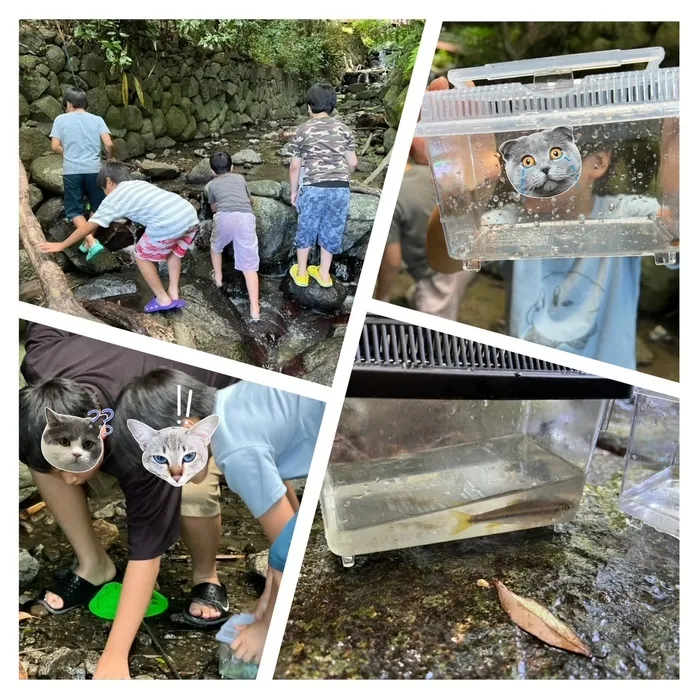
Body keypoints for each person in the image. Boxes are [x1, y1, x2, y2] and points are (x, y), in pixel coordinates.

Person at [19, 323, 235, 680]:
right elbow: (46, 322)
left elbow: (145, 553)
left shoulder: (150, 438)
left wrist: (115, 655)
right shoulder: (42, 363)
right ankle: (94, 565)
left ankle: (206, 575)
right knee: (45, 463)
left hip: (204, 408)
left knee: (191, 491)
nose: (70, 482)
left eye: (74, 468)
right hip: (127, 394)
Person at [424, 76, 678, 370]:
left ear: (597, 163)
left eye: (555, 154)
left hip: (608, 379)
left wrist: (678, 194)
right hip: (529, 375)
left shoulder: (628, 211)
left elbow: (678, 231)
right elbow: (446, 260)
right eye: (525, 161)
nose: (538, 171)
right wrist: (461, 197)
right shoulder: (511, 219)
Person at [115, 371, 325, 666]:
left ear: (189, 429)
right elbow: (290, 516)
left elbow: (290, 551)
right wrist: (269, 590)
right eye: (159, 463)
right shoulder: (234, 398)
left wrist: (268, 627)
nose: (173, 477)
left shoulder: (237, 453)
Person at [38, 162, 200, 313]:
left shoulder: (114, 198)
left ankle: (163, 300)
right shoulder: (139, 184)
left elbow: (88, 227)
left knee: (140, 255)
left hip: (169, 222)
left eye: (103, 189)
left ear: (109, 182)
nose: (104, 194)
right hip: (188, 214)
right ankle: (173, 292)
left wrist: (62, 245)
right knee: (173, 252)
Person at [376, 137, 476, 320]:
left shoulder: (392, 200)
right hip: (467, 252)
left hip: (438, 272)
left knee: (434, 324)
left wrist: (381, 298)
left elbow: (392, 262)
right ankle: (420, 296)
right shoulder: (430, 172)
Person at [288, 83, 357, 288]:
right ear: (332, 106)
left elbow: (294, 166)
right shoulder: (344, 130)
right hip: (340, 188)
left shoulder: (302, 131)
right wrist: (343, 176)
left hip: (314, 186)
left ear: (309, 106)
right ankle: (324, 274)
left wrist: (294, 191)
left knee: (306, 227)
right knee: (333, 228)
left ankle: (301, 273)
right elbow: (353, 163)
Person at [50, 87, 114, 261]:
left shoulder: (60, 119)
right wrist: (108, 160)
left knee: (74, 210)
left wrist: (68, 154)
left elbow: (55, 146)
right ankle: (89, 241)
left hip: (72, 172)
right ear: (85, 104)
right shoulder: (97, 119)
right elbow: (108, 144)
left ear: (69, 104)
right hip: (95, 169)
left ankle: (90, 243)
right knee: (97, 207)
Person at [205, 151, 260, 321]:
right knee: (250, 267)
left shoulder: (211, 185)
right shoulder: (240, 179)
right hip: (245, 218)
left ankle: (219, 278)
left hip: (224, 218)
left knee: (216, 247)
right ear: (233, 167)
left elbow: (214, 208)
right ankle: (255, 310)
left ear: (212, 171)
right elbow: (249, 200)